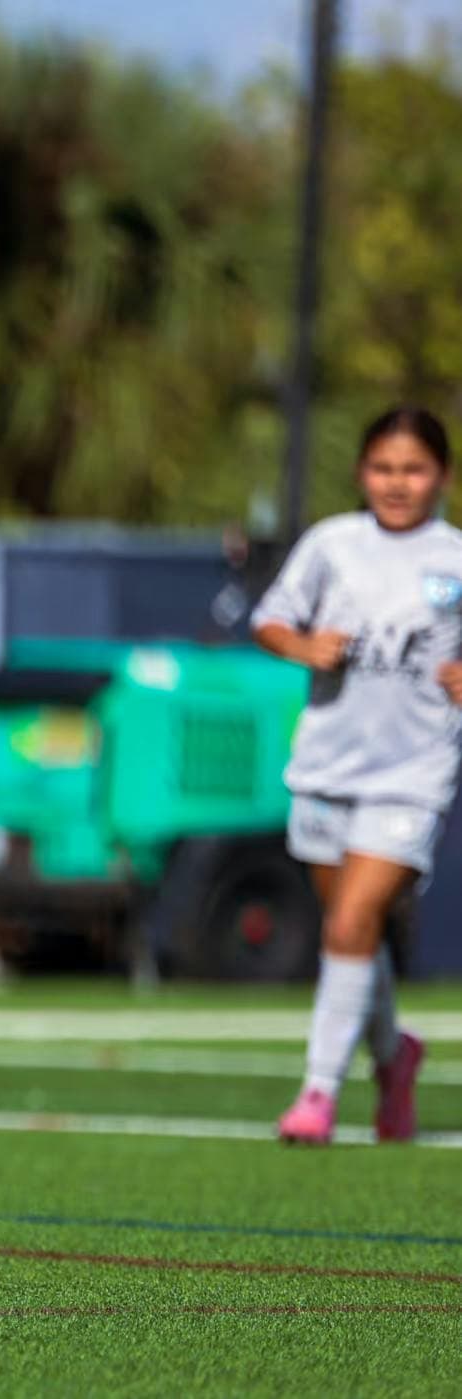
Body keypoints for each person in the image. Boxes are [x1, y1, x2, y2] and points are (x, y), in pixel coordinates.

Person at [255, 404, 462, 1146]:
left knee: (349, 922)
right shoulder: (332, 544)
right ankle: (394, 1054)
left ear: (442, 475)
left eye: (414, 469)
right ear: (360, 471)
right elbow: (270, 619)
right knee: (354, 931)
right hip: (328, 766)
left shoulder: (454, 558)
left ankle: (318, 1093)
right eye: (382, 468)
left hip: (413, 773)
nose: (397, 483)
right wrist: (303, 646)